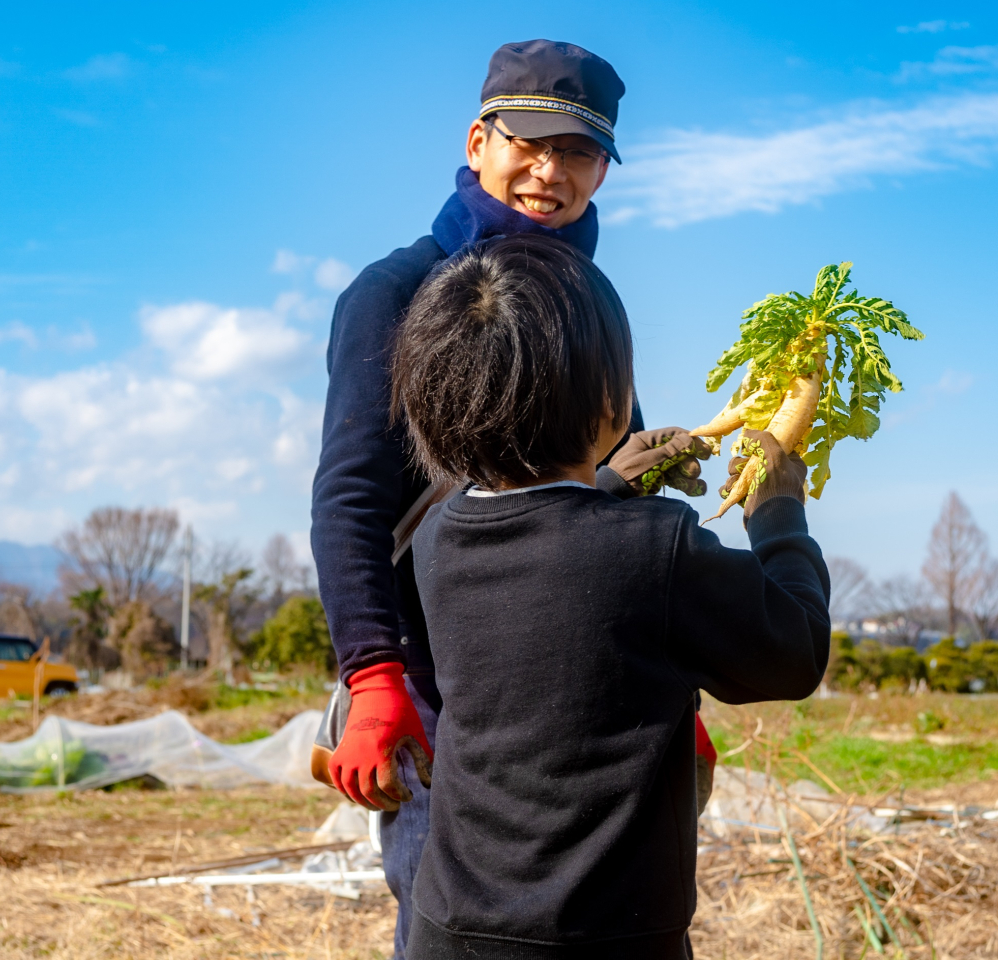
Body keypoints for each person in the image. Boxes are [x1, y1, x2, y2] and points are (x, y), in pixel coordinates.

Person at [310, 40, 713, 957]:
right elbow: (349, 499)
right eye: (529, 143)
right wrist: (373, 678)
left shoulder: (592, 301)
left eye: (578, 153)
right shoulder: (394, 293)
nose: (549, 172)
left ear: (604, 168)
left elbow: (608, 500)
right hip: (441, 694)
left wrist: (674, 698)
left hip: (585, 689)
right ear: (479, 138)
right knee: (448, 918)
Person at [389, 235, 831, 959]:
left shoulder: (441, 537)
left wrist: (608, 484)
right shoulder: (657, 547)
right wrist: (779, 512)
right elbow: (794, 653)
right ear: (610, 398)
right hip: (604, 940)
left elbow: (548, 545)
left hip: (452, 928)